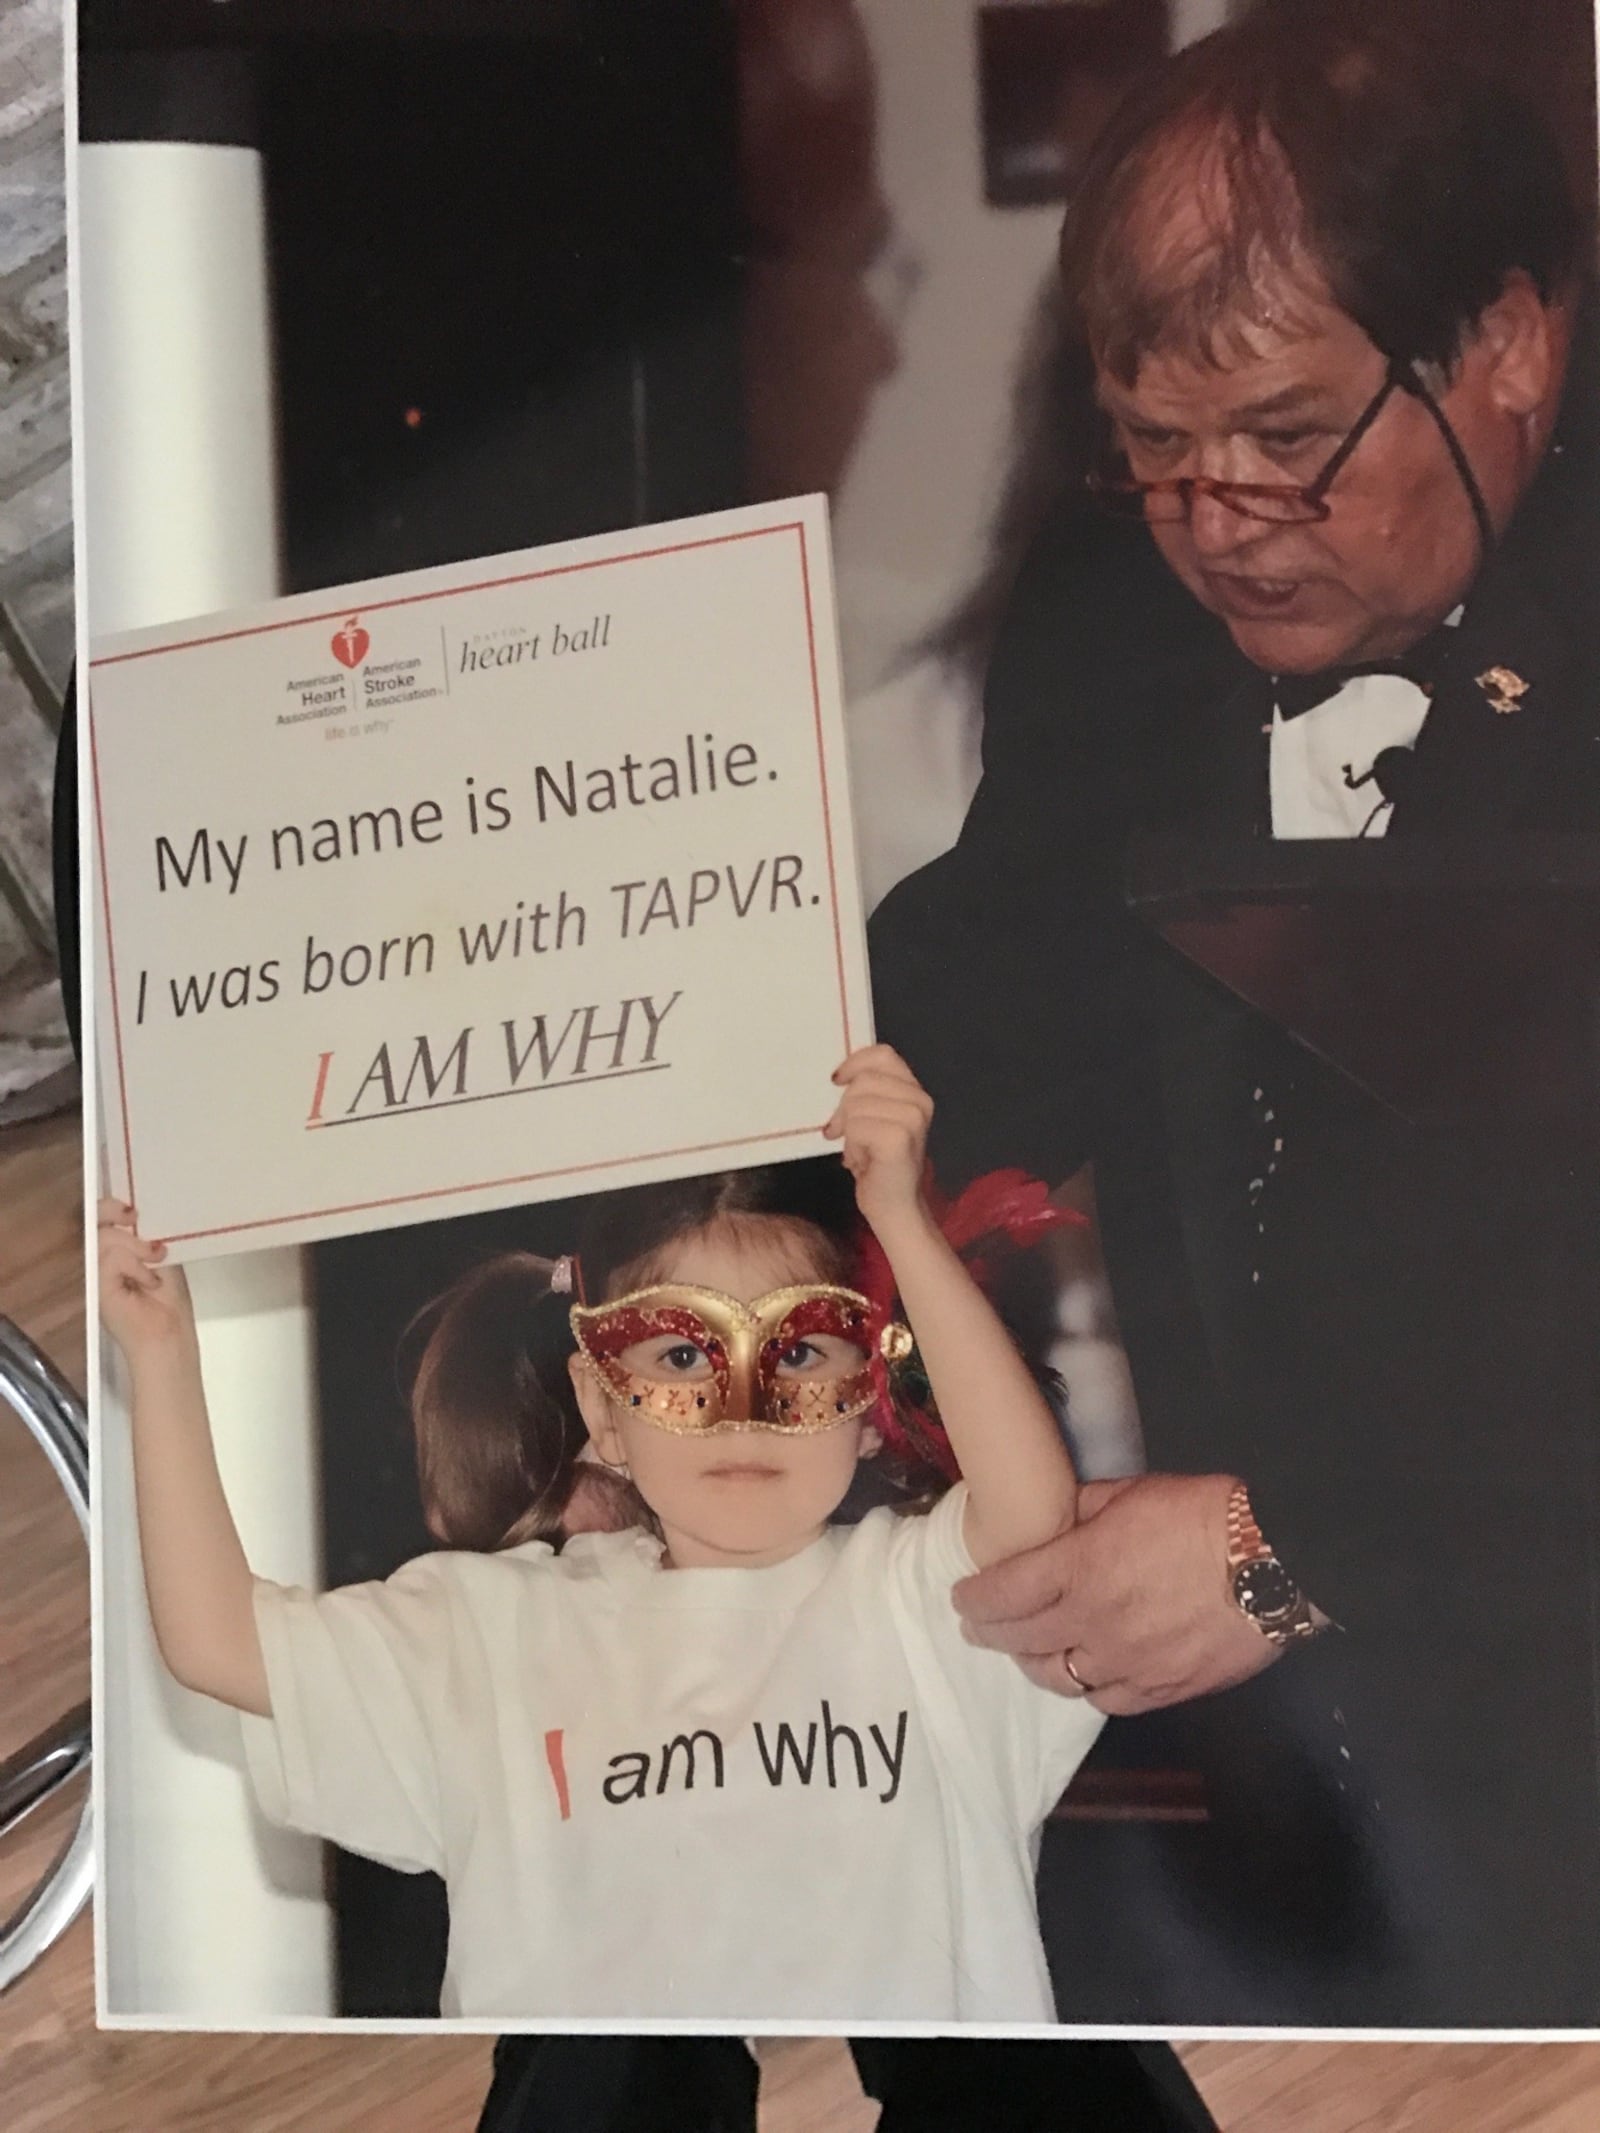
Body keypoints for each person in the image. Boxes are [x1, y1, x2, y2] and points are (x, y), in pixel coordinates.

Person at [870, 3, 1600, 2027]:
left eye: (1284, 437)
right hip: (1305, 1790)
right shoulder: (1115, 625)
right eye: (1153, 445)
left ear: (1508, 347)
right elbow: (979, 1001)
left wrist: (1297, 1537)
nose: (1211, 518)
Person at [98, 1046, 1108, 2024]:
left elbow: (1029, 1514)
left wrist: (900, 1219)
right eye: (678, 1351)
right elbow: (217, 1641)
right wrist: (159, 1352)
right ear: (603, 1405)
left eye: (798, 1347)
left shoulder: (926, 1605)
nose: (740, 1405)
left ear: (870, 1383)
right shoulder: (489, 1635)